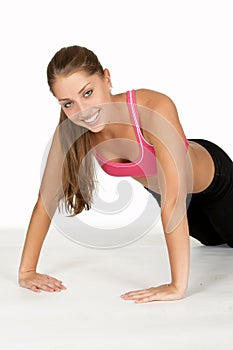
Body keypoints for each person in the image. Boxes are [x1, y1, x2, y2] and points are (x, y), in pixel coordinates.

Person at [18, 45, 233, 303]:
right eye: (68, 104)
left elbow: (174, 199)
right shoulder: (73, 133)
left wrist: (177, 286)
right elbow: (45, 200)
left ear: (106, 78)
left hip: (216, 186)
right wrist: (26, 272)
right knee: (212, 244)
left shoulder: (151, 106)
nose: (83, 110)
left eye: (88, 93)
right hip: (183, 211)